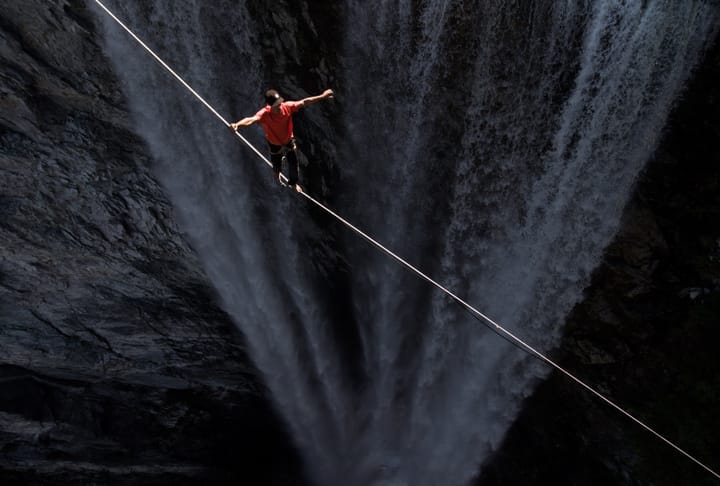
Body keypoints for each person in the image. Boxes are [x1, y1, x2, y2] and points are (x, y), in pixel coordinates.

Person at [231, 88, 334, 192]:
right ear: (270, 106)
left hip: (288, 141)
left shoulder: (287, 107)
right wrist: (237, 125)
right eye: (276, 106)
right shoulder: (265, 114)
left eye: (280, 103)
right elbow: (251, 119)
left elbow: (304, 102)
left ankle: (293, 184)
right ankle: (277, 172)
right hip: (274, 144)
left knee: (293, 164)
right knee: (276, 165)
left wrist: (322, 96)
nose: (279, 107)